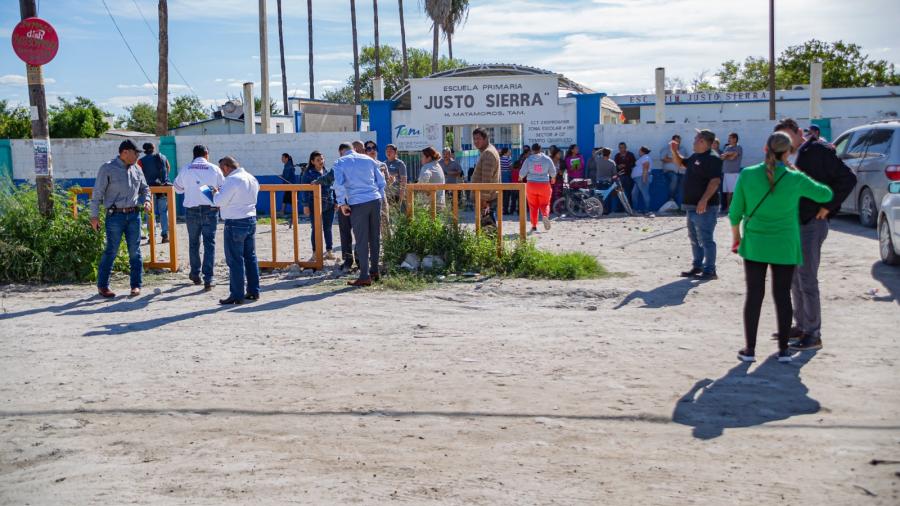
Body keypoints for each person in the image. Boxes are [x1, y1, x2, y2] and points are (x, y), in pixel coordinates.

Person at [730, 132, 834, 364]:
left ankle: (750, 350)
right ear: (788, 152)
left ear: (766, 149)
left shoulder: (747, 174)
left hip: (755, 244)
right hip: (785, 245)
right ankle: (784, 351)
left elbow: (735, 212)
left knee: (754, 296)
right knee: (782, 296)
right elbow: (825, 194)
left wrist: (736, 238)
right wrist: (798, 175)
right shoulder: (794, 178)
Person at [773, 118, 856, 351]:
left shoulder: (816, 150)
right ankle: (801, 326)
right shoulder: (794, 156)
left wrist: (829, 206)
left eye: (789, 137)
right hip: (794, 223)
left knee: (807, 279)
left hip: (811, 223)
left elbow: (848, 178)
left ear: (800, 132)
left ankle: (813, 333)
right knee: (795, 279)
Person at [90, 140, 151, 298]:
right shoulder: (107, 168)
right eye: (135, 152)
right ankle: (103, 286)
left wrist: (147, 200)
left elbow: (145, 189)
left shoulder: (137, 169)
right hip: (114, 216)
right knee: (111, 250)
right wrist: (94, 216)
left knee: (135, 252)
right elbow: (97, 194)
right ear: (125, 152)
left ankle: (136, 285)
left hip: (133, 215)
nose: (138, 155)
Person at [671, 129, 723, 280]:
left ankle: (710, 270)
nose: (693, 141)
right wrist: (674, 151)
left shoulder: (713, 158)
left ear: (702, 141)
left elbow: (715, 181)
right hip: (691, 205)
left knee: (706, 238)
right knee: (694, 238)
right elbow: (681, 163)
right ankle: (698, 266)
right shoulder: (696, 156)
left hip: (705, 207)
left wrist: (704, 200)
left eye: (695, 139)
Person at [333, 142, 386, 287]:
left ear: (341, 151)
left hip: (357, 202)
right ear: (354, 149)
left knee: (361, 240)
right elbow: (381, 181)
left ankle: (364, 275)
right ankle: (375, 271)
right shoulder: (368, 159)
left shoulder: (340, 162)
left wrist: (342, 203)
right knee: (375, 237)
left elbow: (339, 184)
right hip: (375, 199)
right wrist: (379, 197)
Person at [174, 144, 225, 291]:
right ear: (206, 154)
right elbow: (222, 188)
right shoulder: (214, 168)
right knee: (210, 243)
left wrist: (191, 188)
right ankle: (208, 278)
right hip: (210, 209)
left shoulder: (186, 169)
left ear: (194, 155)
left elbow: (177, 189)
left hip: (192, 210)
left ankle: (195, 273)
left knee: (193, 243)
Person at [212, 156, 260, 305]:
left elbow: (219, 201)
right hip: (250, 219)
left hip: (235, 222)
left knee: (235, 259)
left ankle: (237, 294)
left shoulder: (232, 180)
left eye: (221, 169)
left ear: (226, 167)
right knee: (250, 257)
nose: (222, 172)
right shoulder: (251, 178)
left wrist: (215, 193)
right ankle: (253, 291)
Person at [300, 151, 336, 260]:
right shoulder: (308, 174)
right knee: (316, 228)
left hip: (329, 203)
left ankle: (329, 251)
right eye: (318, 160)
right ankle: (315, 252)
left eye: (322, 159)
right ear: (312, 162)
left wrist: (336, 202)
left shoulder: (328, 172)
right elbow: (304, 191)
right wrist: (305, 205)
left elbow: (334, 187)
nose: (321, 161)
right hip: (314, 204)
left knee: (328, 228)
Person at [518, 143, 557, 232]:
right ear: (541, 149)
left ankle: (534, 225)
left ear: (532, 150)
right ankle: (545, 215)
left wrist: (520, 178)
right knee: (545, 204)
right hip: (544, 185)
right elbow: (553, 172)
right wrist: (553, 178)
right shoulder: (547, 159)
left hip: (531, 185)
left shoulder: (528, 159)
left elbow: (522, 173)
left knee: (533, 206)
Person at [137, 142, 171, 243]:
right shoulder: (162, 157)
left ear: (144, 150)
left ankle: (152, 237)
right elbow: (168, 167)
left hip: (148, 190)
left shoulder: (141, 161)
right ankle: (165, 235)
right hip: (162, 188)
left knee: (150, 213)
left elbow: (139, 175)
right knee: (163, 212)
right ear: (153, 148)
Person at [470, 128, 500, 224]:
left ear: (486, 138)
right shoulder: (489, 151)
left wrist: (483, 201)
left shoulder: (488, 153)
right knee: (487, 228)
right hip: (487, 197)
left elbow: (486, 180)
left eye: (478, 138)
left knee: (488, 228)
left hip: (486, 199)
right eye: (474, 139)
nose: (475, 141)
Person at [364, 140, 391, 241]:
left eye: (374, 148)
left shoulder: (382, 165)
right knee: (369, 226)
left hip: (381, 198)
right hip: (368, 199)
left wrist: (391, 180)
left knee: (385, 223)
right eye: (369, 148)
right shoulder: (362, 166)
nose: (372, 150)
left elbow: (387, 182)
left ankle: (388, 250)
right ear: (365, 151)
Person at [660, 135, 688, 208]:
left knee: (684, 185)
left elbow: (685, 160)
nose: (677, 143)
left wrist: (672, 159)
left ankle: (683, 204)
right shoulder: (666, 149)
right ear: (672, 141)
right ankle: (671, 198)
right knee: (674, 178)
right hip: (670, 171)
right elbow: (663, 159)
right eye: (676, 141)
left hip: (681, 171)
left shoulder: (683, 149)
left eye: (679, 141)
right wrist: (675, 160)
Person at [721, 133, 743, 213]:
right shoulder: (727, 147)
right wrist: (729, 154)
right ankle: (728, 208)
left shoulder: (738, 147)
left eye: (730, 138)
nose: (728, 139)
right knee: (727, 192)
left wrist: (727, 155)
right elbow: (723, 157)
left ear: (735, 139)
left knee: (733, 192)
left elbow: (733, 157)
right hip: (726, 172)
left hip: (733, 173)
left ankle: (734, 208)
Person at [632, 146, 654, 216]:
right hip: (638, 179)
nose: (638, 152)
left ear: (642, 151)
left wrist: (644, 178)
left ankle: (647, 210)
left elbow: (646, 167)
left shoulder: (646, 157)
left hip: (641, 178)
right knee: (634, 193)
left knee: (645, 194)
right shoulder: (643, 158)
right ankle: (635, 209)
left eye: (639, 151)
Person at [280, 153, 297, 227]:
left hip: (290, 186)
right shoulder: (288, 165)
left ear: (286, 158)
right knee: (286, 199)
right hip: (289, 186)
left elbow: (286, 177)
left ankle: (285, 212)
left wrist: (282, 177)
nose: (282, 159)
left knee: (291, 200)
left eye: (283, 158)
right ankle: (283, 212)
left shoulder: (288, 166)